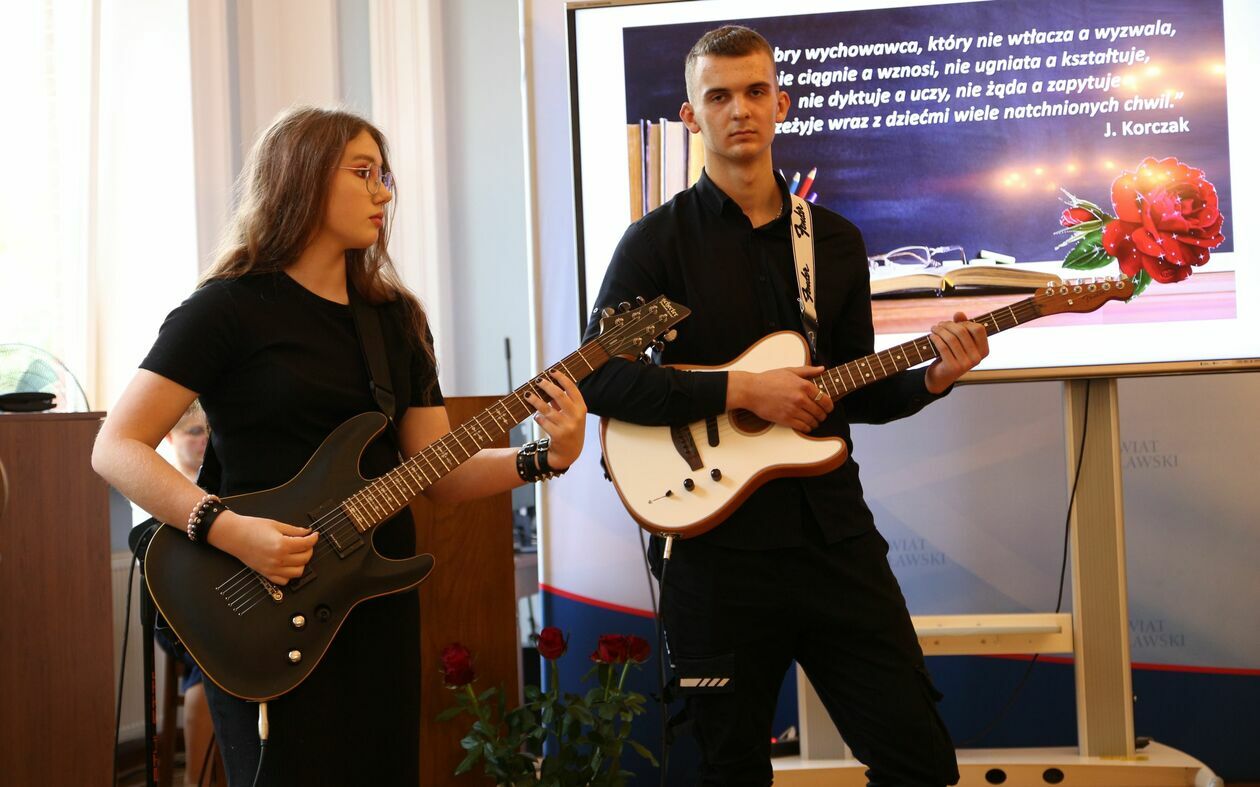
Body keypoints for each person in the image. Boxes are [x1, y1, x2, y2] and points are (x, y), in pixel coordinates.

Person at [92, 106, 588, 786]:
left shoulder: (395, 320)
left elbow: (437, 470)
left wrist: (543, 458)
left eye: (385, 175)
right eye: (363, 173)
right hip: (256, 598)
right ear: (300, 178)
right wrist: (230, 530)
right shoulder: (225, 310)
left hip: (370, 601)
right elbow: (117, 445)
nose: (384, 192)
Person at [578, 26, 989, 787]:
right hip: (713, 550)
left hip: (832, 538)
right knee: (728, 772)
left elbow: (852, 391)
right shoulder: (656, 244)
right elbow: (598, 378)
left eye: (756, 91)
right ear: (691, 116)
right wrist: (739, 390)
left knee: (920, 763)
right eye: (719, 96)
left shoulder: (832, 241)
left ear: (782, 103)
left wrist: (932, 378)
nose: (740, 110)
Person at [158, 401, 224, 786]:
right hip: (176, 611)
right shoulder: (162, 488)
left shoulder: (223, 482)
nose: (203, 441)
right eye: (194, 432)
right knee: (212, 660)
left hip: (216, 601)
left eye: (208, 432)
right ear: (170, 437)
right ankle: (194, 778)